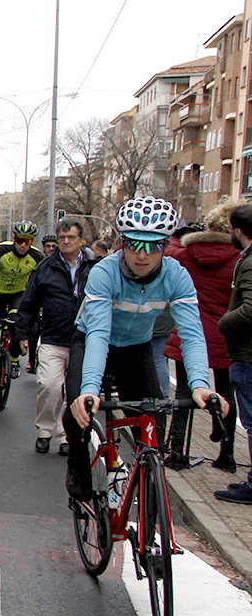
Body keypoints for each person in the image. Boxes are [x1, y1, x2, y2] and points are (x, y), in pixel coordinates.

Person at [65, 197, 227, 502]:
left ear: (165, 245)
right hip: (92, 342)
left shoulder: (177, 275)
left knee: (153, 420)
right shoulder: (104, 273)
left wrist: (201, 386)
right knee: (77, 413)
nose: (141, 255)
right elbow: (99, 334)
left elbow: (192, 335)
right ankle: (78, 466)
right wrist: (88, 390)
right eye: (133, 244)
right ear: (121, 242)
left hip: (135, 348)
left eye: (152, 246)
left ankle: (144, 489)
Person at [163, 206, 239, 471]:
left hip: (189, 331)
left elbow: (168, 250)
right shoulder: (239, 257)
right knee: (226, 393)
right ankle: (226, 454)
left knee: (184, 392)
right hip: (224, 334)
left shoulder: (185, 255)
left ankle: (177, 451)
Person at [16, 219, 94, 456]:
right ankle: (44, 431)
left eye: (71, 237)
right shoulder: (46, 267)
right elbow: (29, 301)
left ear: (81, 240)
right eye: (62, 238)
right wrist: (23, 332)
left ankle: (64, 434)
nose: (66, 241)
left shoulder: (94, 267)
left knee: (74, 392)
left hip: (83, 339)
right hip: (52, 338)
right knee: (48, 386)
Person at [216, 204, 252, 503]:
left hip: (248, 354)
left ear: (238, 230)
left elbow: (250, 308)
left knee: (251, 421)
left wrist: (224, 322)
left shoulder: (250, 262)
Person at [0, 220, 43, 379]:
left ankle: (14, 359)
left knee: (16, 321)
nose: (23, 245)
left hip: (18, 293)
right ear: (14, 238)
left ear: (32, 242)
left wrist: (35, 310)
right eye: (19, 240)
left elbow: (39, 286)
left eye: (27, 241)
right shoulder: (0, 251)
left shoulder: (37, 257)